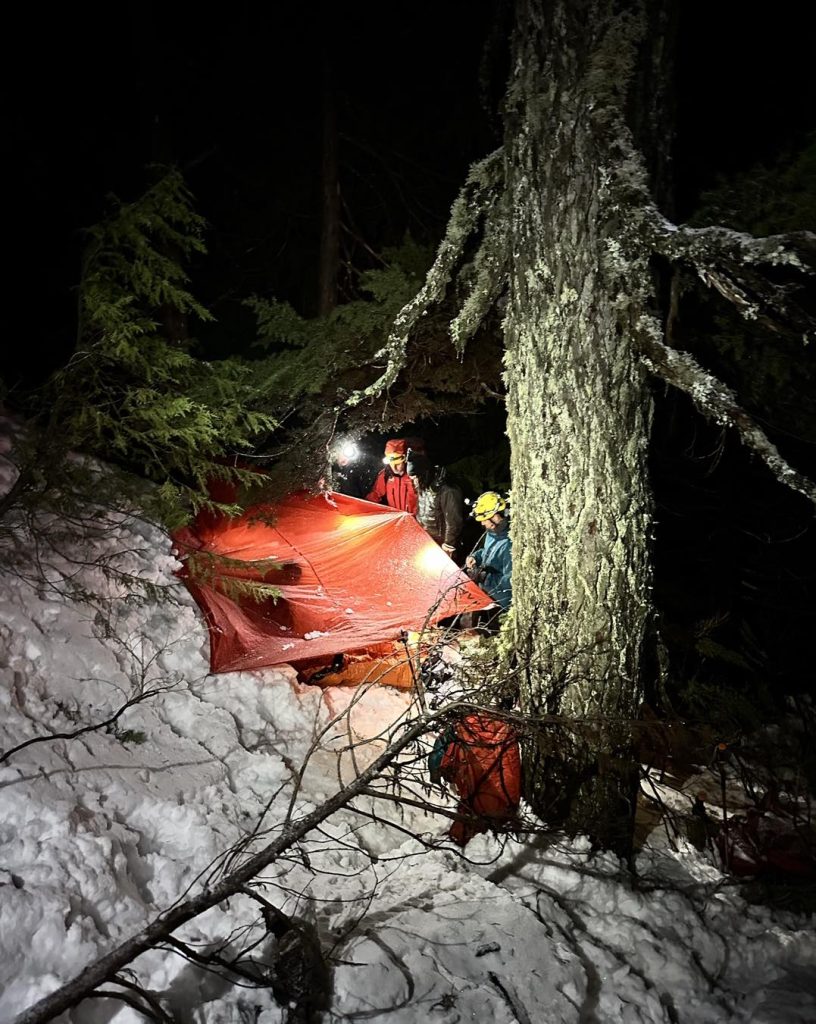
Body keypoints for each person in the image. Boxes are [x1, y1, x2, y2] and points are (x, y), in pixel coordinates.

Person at [429, 701, 521, 846]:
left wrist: (437, 776)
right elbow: (511, 770)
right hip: (497, 797)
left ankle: (460, 836)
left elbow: (438, 755)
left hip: (470, 789)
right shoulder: (506, 732)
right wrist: (512, 802)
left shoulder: (460, 727)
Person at [406, 449, 464, 559]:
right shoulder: (424, 486)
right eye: (412, 478)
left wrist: (448, 545)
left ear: (424, 473)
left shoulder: (447, 490)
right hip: (428, 541)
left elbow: (453, 522)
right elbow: (422, 511)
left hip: (442, 544)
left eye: (415, 477)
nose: (414, 482)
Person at [465, 491, 512, 614]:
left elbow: (510, 582)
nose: (482, 523)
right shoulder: (492, 532)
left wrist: (486, 577)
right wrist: (476, 557)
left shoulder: (510, 543)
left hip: (500, 603)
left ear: (496, 516)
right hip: (486, 594)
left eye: (485, 519)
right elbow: (487, 552)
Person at [364, 438, 418, 514]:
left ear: (406, 459)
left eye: (398, 464)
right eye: (391, 464)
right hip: (395, 520)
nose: (394, 467)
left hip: (414, 521)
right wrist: (363, 507)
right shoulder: (385, 475)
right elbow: (375, 495)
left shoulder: (415, 476)